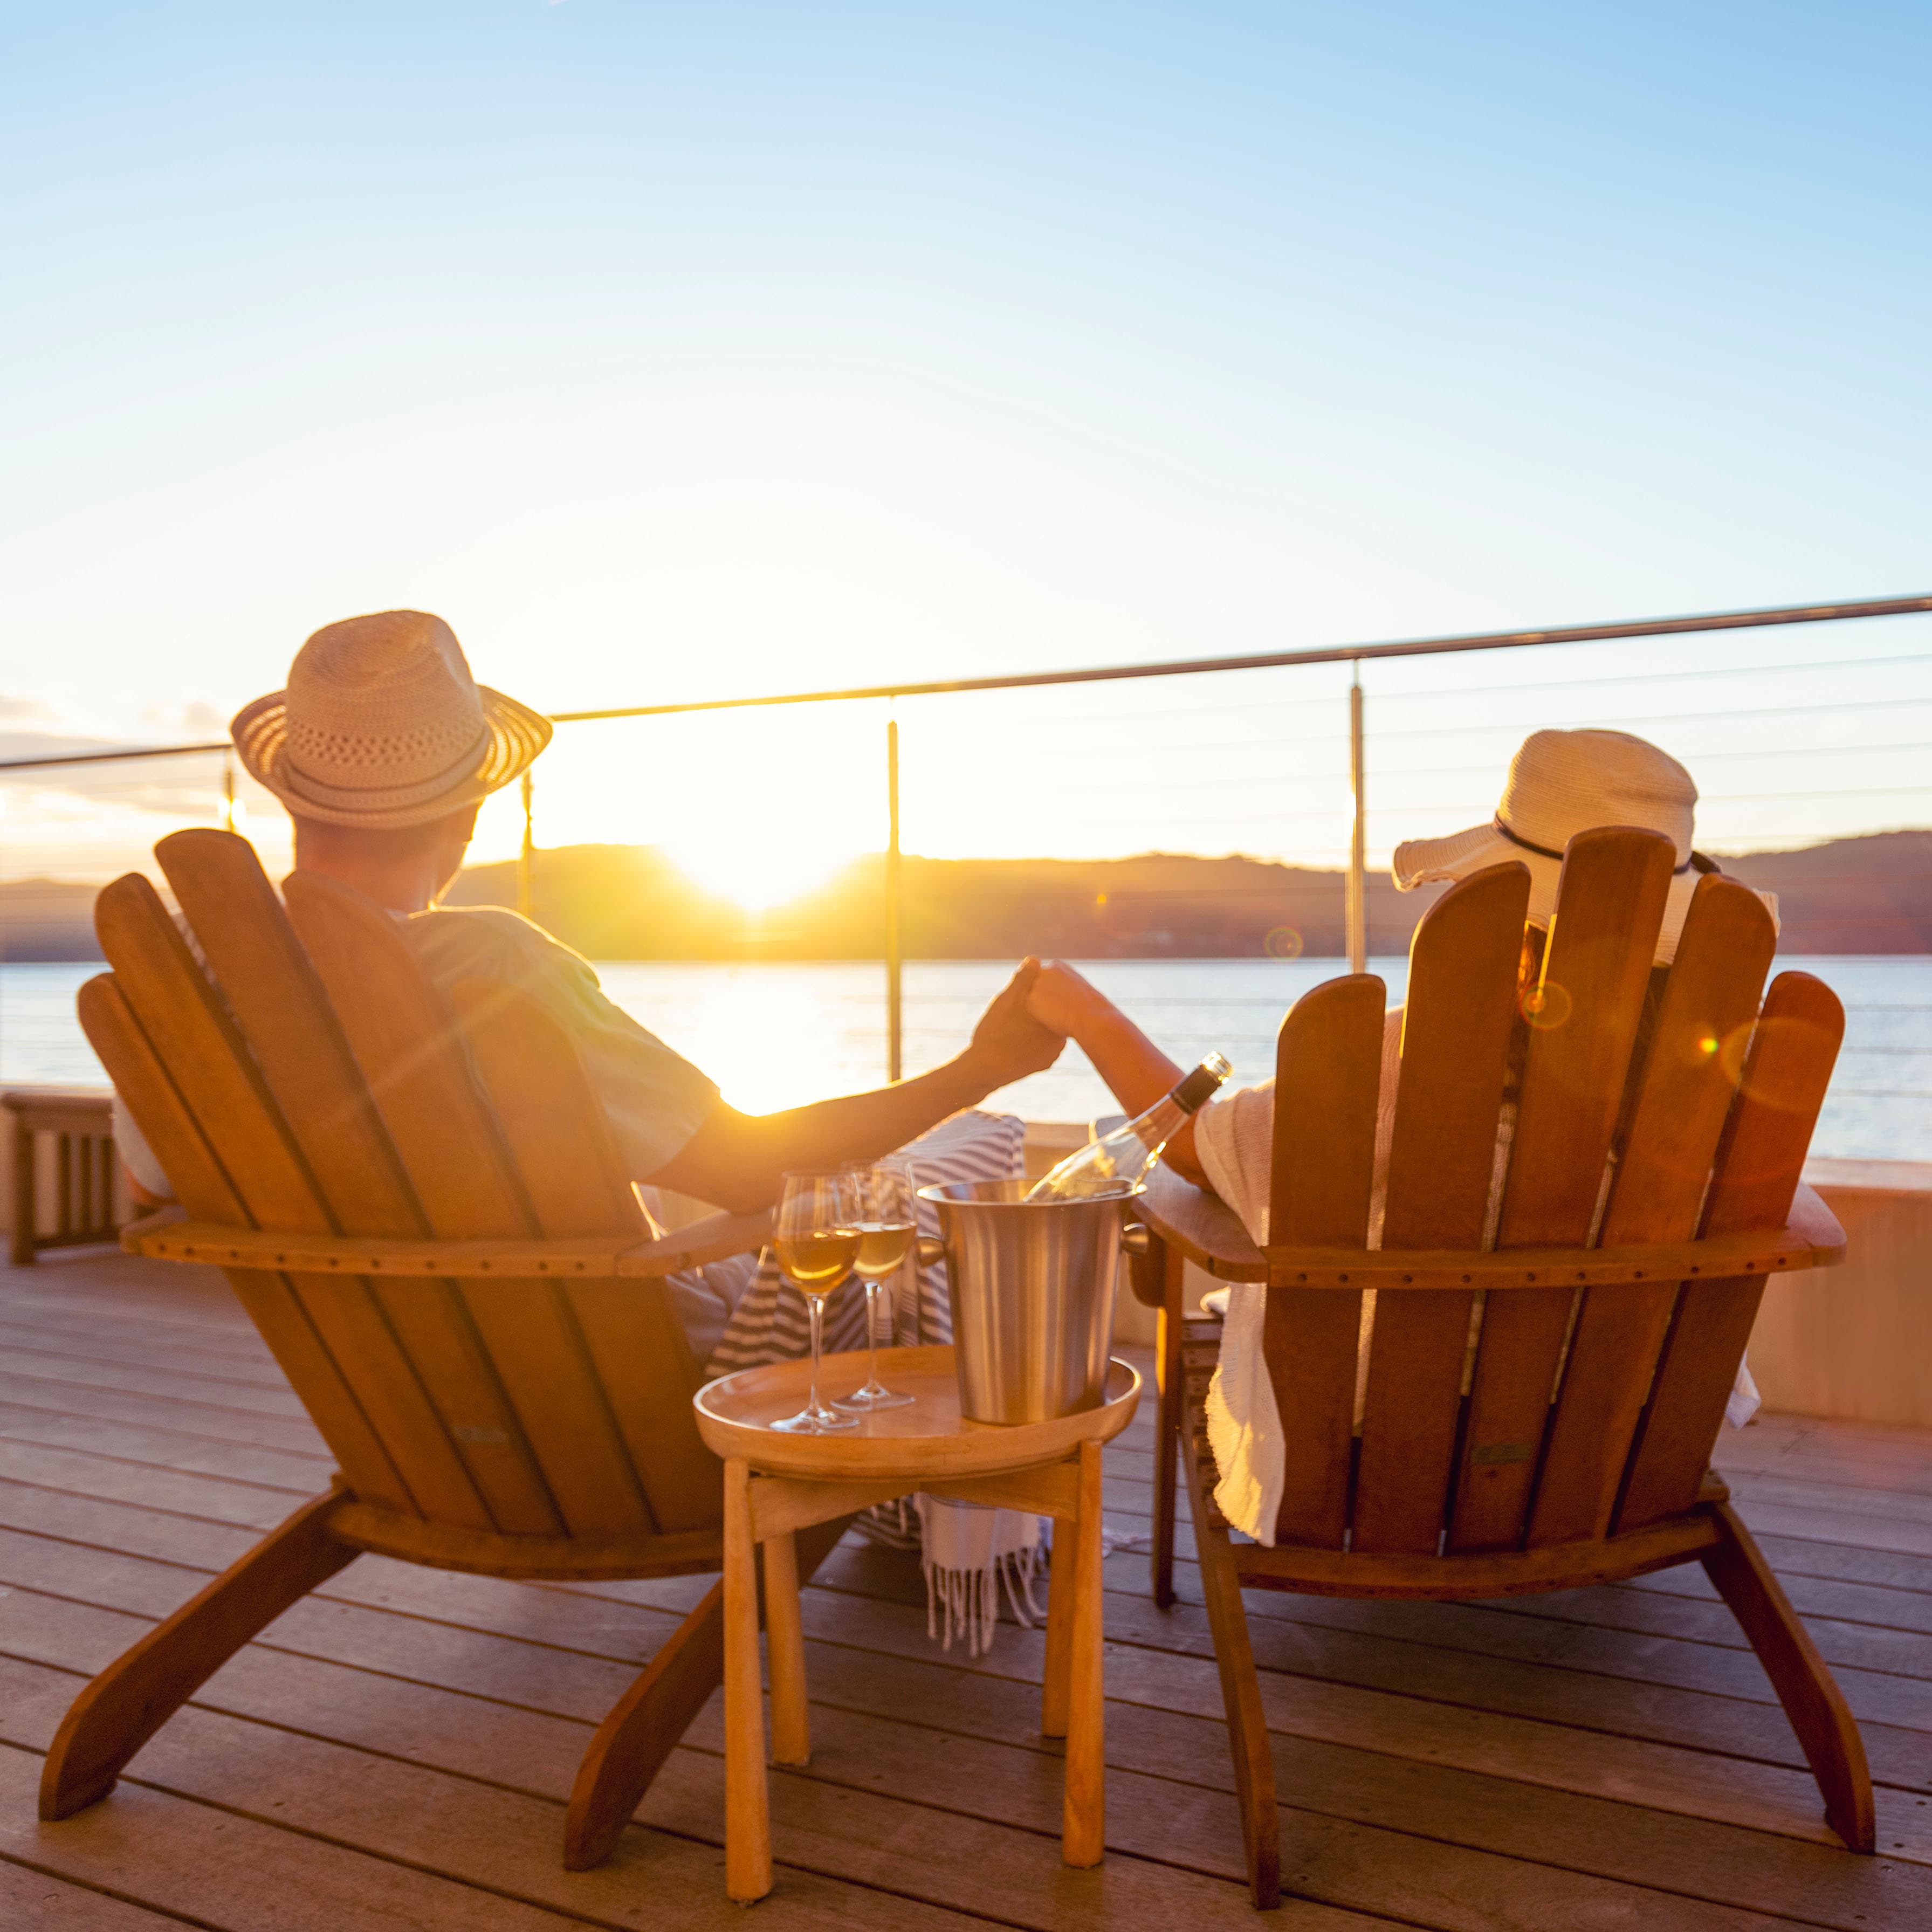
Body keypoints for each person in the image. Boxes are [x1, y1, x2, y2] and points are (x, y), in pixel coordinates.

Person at [114, 610, 1067, 1360]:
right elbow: (748, 1170)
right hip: (622, 1376)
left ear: (289, 793)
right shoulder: (490, 966)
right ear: (475, 813)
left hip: (398, 1397)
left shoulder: (191, 972)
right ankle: (954, 1538)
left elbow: (146, 1180)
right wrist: (978, 1070)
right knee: (952, 1173)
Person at [1025, 728, 1778, 1542]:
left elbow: (1198, 1148)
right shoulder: (1713, 1089)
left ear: (1516, 942)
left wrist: (1081, 1011)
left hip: (1380, 1455)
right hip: (1611, 1446)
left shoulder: (1415, 1057)